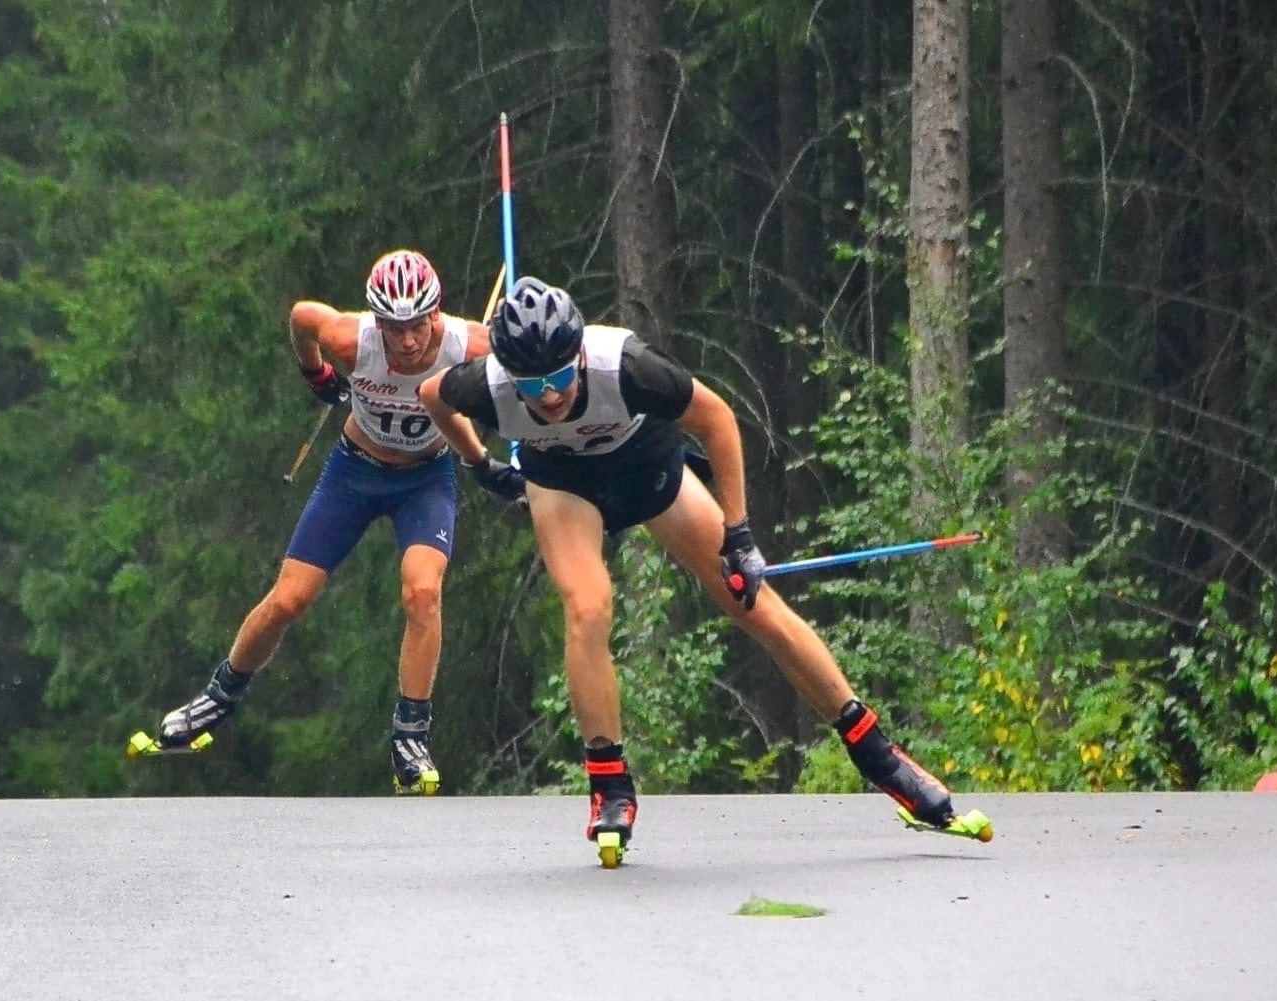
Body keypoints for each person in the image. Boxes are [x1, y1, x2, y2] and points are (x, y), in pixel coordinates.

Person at [418, 276, 983, 847]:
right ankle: (610, 788)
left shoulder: (629, 366)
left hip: (648, 467)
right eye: (531, 384)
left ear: (581, 355)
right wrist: (481, 464)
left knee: (754, 604)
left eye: (561, 376)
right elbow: (432, 397)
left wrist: (738, 533)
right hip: (563, 484)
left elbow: (717, 421)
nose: (547, 396)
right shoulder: (486, 385)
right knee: (588, 610)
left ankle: (881, 759)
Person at [157, 249, 524, 793]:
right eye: (393, 327)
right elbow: (302, 317)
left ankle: (410, 734)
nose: (406, 341)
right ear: (377, 321)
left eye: (417, 325)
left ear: (436, 314)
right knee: (289, 600)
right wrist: (317, 373)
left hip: (424, 479)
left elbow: (538, 371)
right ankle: (219, 696)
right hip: (353, 471)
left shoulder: (467, 344)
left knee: (423, 592)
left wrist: (490, 457)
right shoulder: (353, 339)